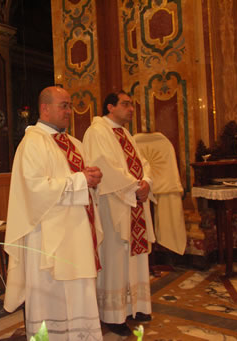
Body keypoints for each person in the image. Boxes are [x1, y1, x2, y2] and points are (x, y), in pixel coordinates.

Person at [4, 86, 104, 340]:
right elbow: (35, 189)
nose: (69, 111)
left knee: (80, 293)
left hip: (78, 235)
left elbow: (81, 183)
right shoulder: (32, 143)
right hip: (48, 240)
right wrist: (81, 180)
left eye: (70, 105)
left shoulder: (74, 143)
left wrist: (91, 179)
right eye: (64, 105)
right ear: (45, 108)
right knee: (53, 299)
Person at [83, 91, 156, 336]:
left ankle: (138, 305)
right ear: (110, 106)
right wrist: (136, 187)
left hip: (132, 201)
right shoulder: (97, 131)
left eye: (132, 105)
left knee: (136, 257)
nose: (131, 109)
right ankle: (113, 315)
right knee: (116, 258)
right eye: (125, 104)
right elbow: (104, 165)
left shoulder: (126, 134)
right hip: (113, 204)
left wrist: (145, 182)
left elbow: (143, 162)